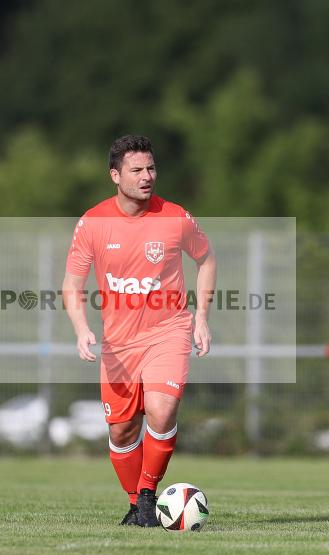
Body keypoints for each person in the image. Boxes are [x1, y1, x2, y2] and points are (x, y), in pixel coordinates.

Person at [62, 135, 216, 527]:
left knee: (162, 411)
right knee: (122, 429)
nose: (147, 176)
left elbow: (206, 259)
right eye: (136, 170)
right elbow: (72, 285)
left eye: (151, 168)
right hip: (118, 343)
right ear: (115, 176)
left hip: (168, 330)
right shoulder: (93, 223)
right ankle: (137, 506)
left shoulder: (175, 217)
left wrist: (201, 317)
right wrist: (81, 329)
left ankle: (148, 493)